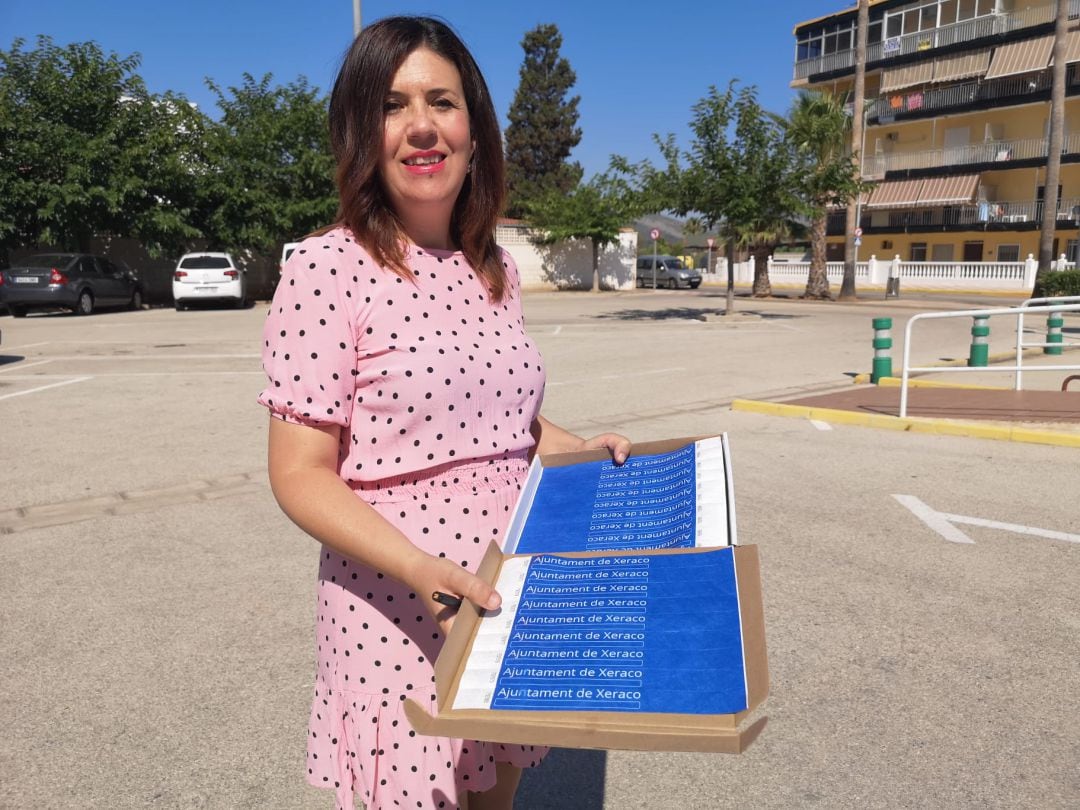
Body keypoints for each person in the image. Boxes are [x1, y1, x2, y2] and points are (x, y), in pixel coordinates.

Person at [258, 16, 631, 810]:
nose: (422, 126)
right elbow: (298, 474)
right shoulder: (326, 268)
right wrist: (420, 569)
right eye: (394, 105)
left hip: (501, 597)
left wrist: (586, 454)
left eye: (442, 101)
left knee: (493, 795)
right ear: (364, 129)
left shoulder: (492, 268)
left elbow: (504, 429)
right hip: (398, 605)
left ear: (474, 126)